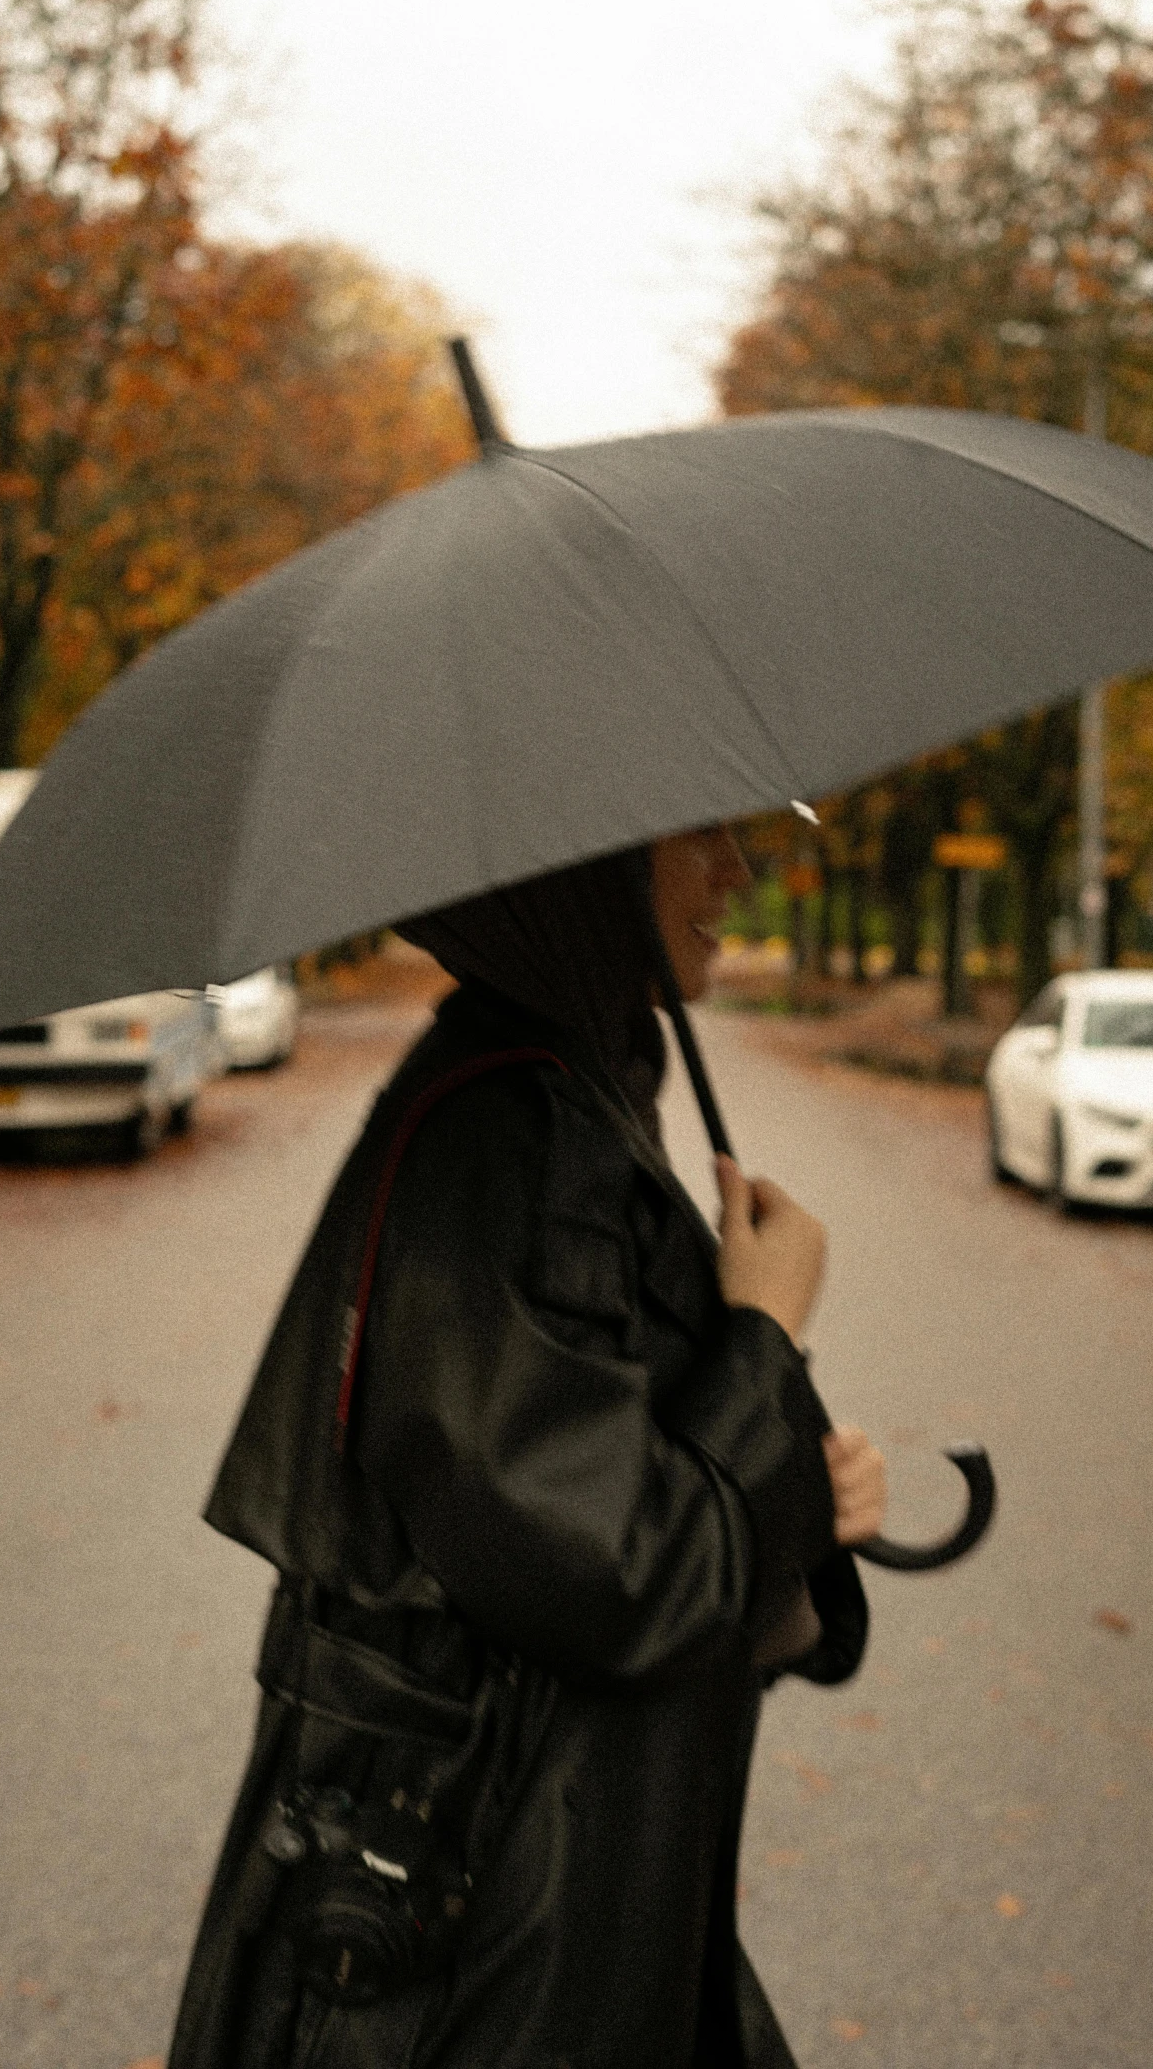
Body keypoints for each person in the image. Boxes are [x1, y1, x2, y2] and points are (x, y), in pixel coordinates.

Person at [169, 825, 887, 2069]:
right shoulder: (510, 1134)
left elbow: (600, 1501)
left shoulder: (581, 1091)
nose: (741, 870)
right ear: (590, 861)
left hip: (558, 1891)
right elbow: (618, 1576)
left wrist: (797, 1492)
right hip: (481, 1935)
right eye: (704, 838)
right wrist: (764, 1342)